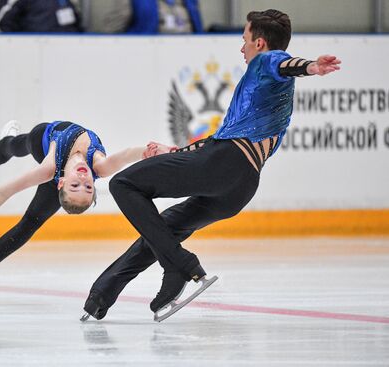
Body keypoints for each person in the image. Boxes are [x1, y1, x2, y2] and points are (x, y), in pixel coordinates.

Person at [81, 9, 341, 321]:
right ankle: (103, 294)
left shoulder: (266, 62)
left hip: (224, 163)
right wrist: (176, 151)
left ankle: (182, 265)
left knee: (123, 184)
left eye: (244, 40)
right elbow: (218, 139)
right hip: (240, 186)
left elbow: (286, 63)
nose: (241, 47)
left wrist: (311, 67)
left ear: (259, 42)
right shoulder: (263, 91)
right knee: (167, 227)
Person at [0, 120, 159, 302]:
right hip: (49, 141)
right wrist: (154, 152)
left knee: (30, 220)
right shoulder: (100, 166)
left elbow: (2, 192)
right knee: (15, 148)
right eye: (88, 186)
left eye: (75, 186)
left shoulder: (49, 169)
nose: (83, 179)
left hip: (42, 141)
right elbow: (130, 154)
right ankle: (4, 147)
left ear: (61, 183)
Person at [0, 0, 80, 33]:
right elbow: (0, 25)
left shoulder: (67, 1)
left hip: (65, 52)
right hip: (31, 53)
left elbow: (76, 25)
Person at [126, 0, 203, 34]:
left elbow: (197, 28)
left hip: (188, 52)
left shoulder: (191, 1)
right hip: (151, 54)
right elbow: (117, 37)